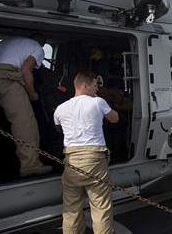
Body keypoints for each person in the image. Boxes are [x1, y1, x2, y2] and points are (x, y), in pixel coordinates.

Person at [0, 34, 52, 178]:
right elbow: (26, 71)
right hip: (4, 77)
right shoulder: (37, 48)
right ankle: (30, 165)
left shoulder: (12, 41)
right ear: (42, 43)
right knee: (24, 122)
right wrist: (32, 94)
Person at [54, 71, 119, 234]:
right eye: (95, 85)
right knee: (100, 207)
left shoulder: (60, 109)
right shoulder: (98, 102)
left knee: (71, 209)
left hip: (71, 160)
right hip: (95, 159)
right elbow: (114, 118)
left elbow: (58, 128)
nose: (97, 90)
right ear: (85, 85)